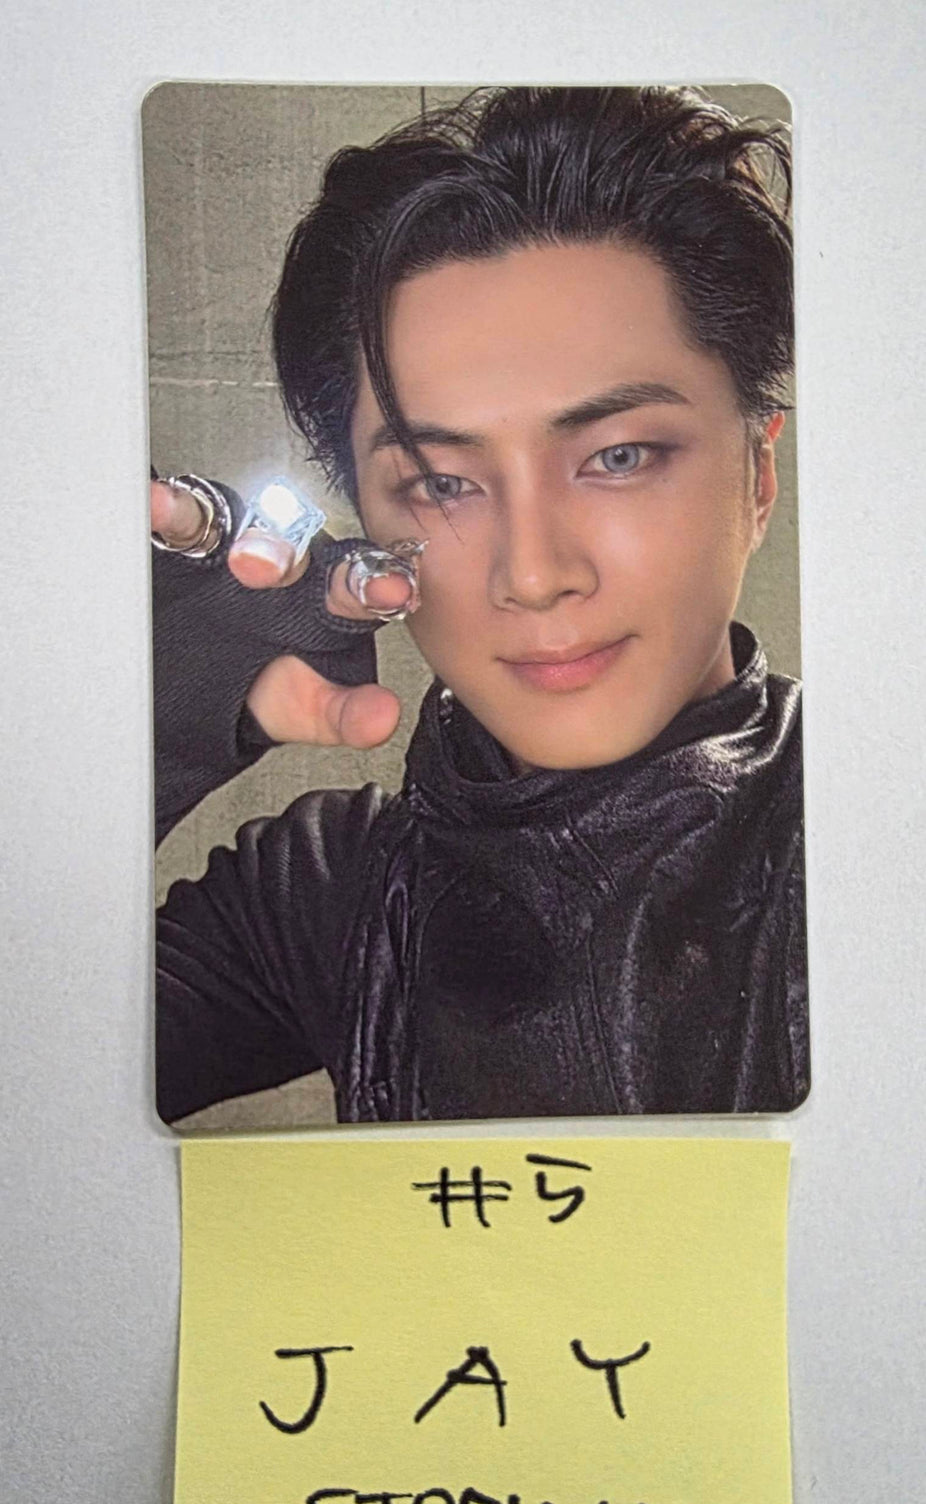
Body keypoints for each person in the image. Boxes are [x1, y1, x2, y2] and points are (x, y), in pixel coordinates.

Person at [154, 83, 808, 1125]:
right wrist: (124, 732)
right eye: (442, 482)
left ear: (757, 477)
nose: (534, 574)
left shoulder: (878, 833)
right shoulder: (321, 894)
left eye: (618, 456)